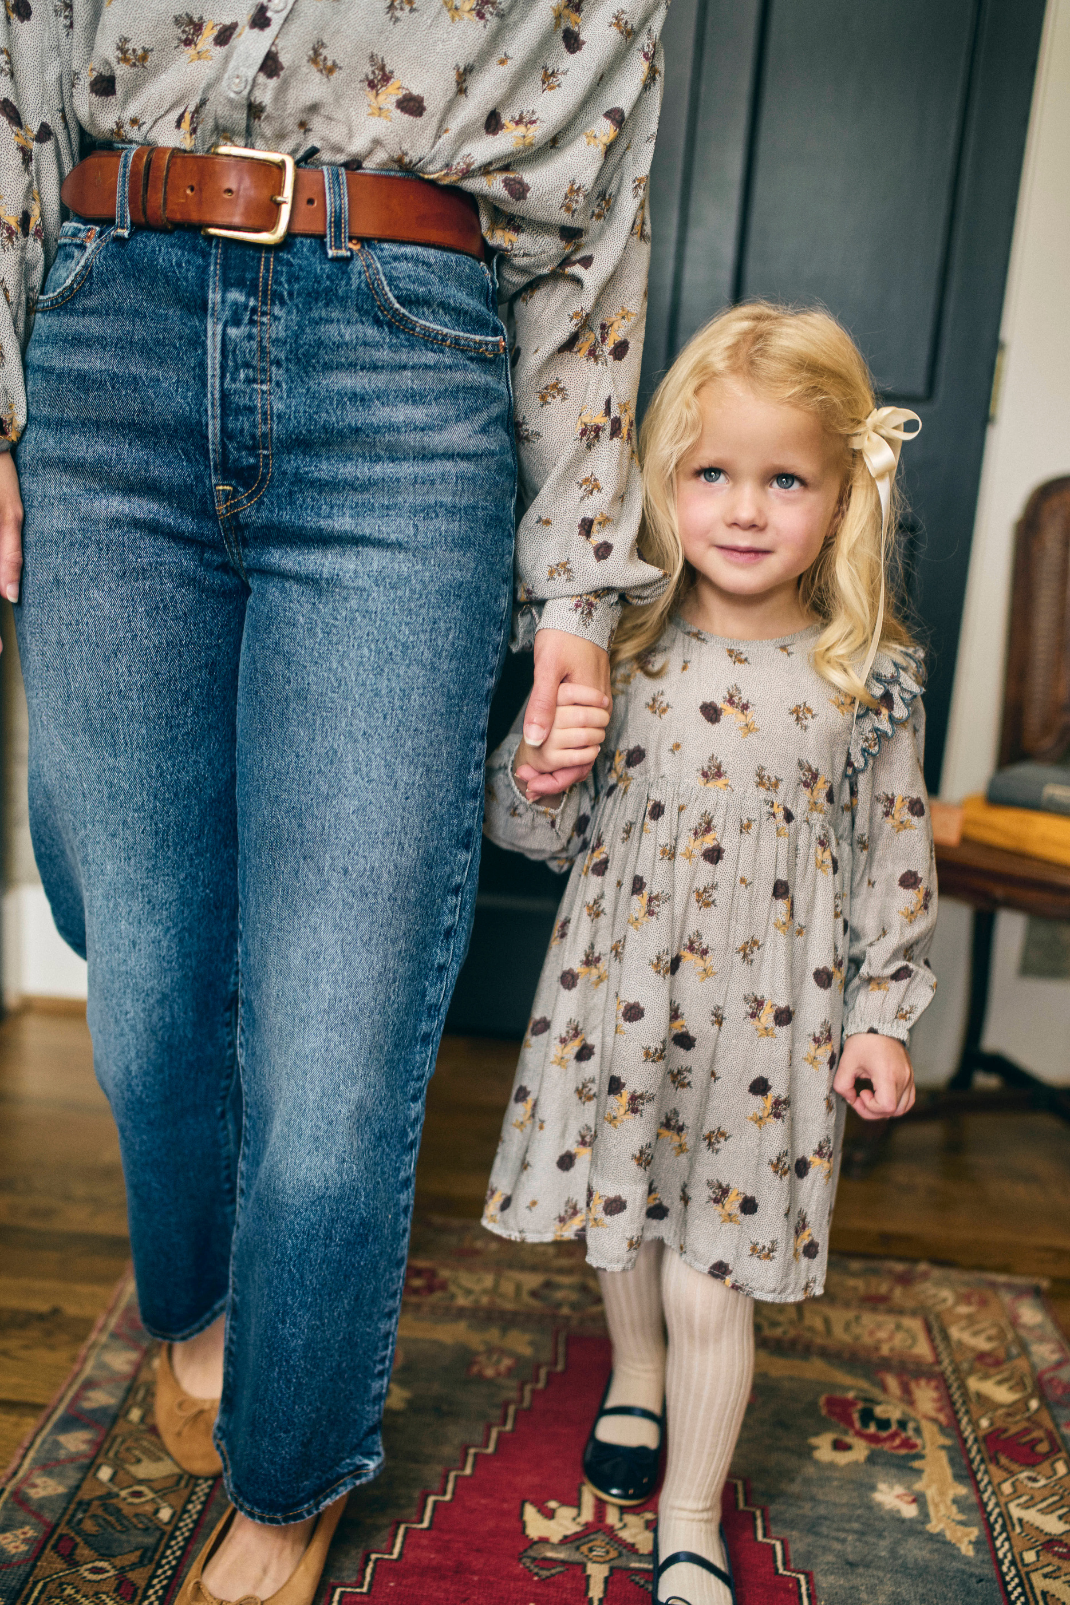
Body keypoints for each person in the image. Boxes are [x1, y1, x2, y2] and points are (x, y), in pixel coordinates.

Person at [0, 5, 671, 1602]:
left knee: (335, 1024)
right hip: (106, 340)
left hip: (408, 374)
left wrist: (577, 592)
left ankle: (289, 1479)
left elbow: (595, 241)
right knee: (147, 982)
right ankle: (197, 1304)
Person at [481, 301, 938, 1605]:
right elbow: (526, 830)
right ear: (662, 486)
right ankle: (628, 1384)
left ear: (842, 495)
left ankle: (688, 1512)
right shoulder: (617, 646)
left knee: (710, 1275)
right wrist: (541, 756)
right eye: (711, 476)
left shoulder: (867, 675)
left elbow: (897, 862)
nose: (744, 509)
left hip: (769, 1029)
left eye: (783, 479)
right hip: (619, 1004)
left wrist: (878, 1017)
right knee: (621, 1229)